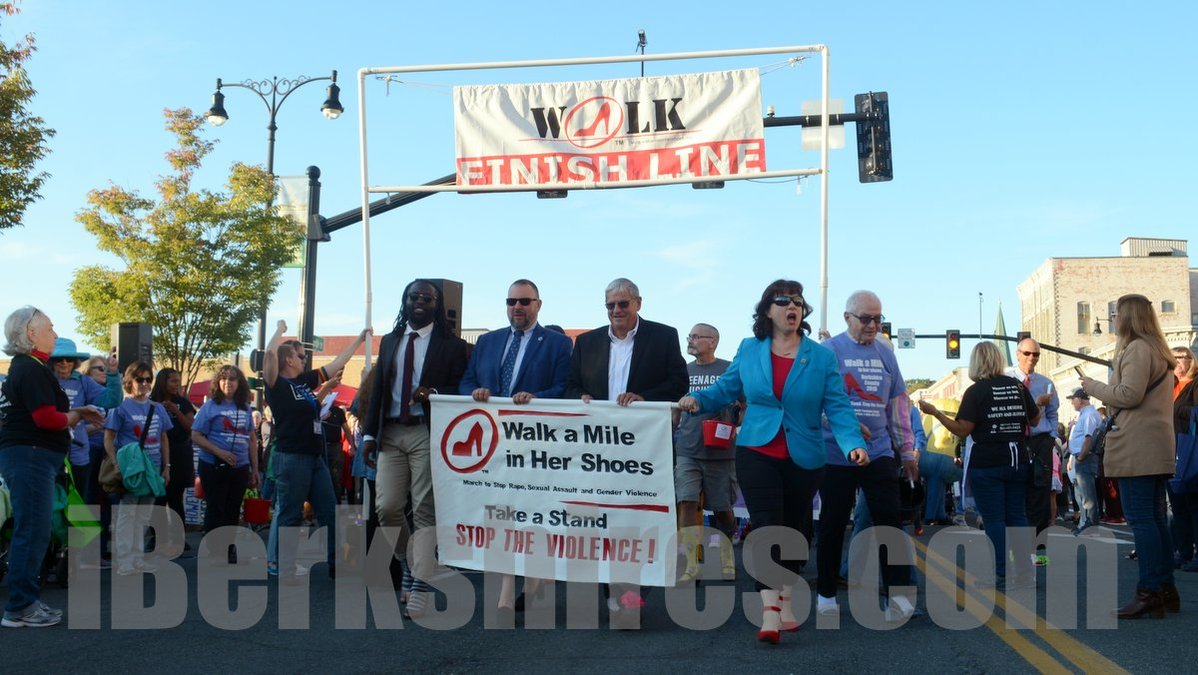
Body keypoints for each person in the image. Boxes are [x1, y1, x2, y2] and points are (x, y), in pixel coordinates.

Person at [680, 279, 867, 644]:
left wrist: (852, 444)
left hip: (804, 455)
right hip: (757, 450)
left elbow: (838, 406)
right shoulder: (749, 349)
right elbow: (726, 388)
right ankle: (769, 610)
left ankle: (786, 596)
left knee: (796, 531)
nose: (791, 307)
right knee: (767, 527)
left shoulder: (821, 357)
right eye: (782, 301)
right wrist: (697, 401)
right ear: (767, 310)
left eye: (797, 301)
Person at [566, 277, 688, 627]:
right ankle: (615, 595)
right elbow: (571, 385)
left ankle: (632, 593)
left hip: (645, 449)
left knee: (639, 520)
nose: (616, 310)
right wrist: (579, 397)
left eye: (623, 304)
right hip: (597, 450)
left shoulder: (664, 336)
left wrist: (644, 398)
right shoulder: (586, 342)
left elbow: (678, 383)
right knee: (603, 520)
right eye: (610, 305)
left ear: (638, 303)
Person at [459, 278, 571, 618]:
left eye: (524, 301)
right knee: (502, 512)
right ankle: (508, 589)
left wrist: (537, 398)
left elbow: (564, 388)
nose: (517, 307)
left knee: (533, 511)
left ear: (538, 304)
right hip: (493, 441)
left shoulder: (558, 344)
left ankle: (533, 581)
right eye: (511, 301)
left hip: (536, 443)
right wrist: (475, 392)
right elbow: (466, 381)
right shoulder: (487, 342)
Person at [361, 279, 468, 618]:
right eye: (414, 296)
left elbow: (462, 388)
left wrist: (434, 391)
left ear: (437, 305)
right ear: (405, 301)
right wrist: (368, 435)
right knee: (387, 507)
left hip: (426, 430)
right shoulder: (391, 340)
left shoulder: (452, 346)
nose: (420, 301)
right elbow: (378, 389)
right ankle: (408, 561)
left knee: (423, 508)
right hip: (390, 431)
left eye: (427, 297)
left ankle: (419, 583)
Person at [816, 290, 918, 621]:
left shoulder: (886, 354)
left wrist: (907, 451)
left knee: (890, 521)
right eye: (866, 319)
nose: (873, 325)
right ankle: (826, 595)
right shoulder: (828, 351)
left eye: (878, 319)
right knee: (833, 522)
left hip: (879, 452)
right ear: (847, 318)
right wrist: (842, 423)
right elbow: (813, 403)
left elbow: (897, 406)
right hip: (836, 453)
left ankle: (897, 596)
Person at [0, 307, 105, 628]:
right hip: (31, 457)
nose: (56, 335)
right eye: (50, 328)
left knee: (34, 530)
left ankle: (25, 603)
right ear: (31, 334)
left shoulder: (27, 368)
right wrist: (77, 415)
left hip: (30, 457)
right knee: (33, 530)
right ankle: (20, 607)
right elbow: (46, 419)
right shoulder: (31, 369)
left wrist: (77, 413)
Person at [1080, 294, 1178, 618]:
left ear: (1129, 317)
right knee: (1156, 519)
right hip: (1156, 445)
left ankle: (1149, 592)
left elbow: (1129, 394)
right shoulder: (1158, 350)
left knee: (1142, 520)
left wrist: (1092, 386)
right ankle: (1165, 589)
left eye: (1116, 314)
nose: (1113, 319)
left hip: (1137, 447)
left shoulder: (1137, 349)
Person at [919, 342, 1039, 588]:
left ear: (976, 363)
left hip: (988, 462)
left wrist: (935, 413)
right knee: (1017, 516)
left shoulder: (975, 392)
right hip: (1017, 459)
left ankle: (1002, 574)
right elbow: (1035, 419)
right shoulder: (1017, 386)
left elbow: (962, 429)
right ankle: (1025, 573)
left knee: (995, 519)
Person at [264, 320, 370, 584]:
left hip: (315, 457)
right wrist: (279, 331)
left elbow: (336, 363)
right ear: (288, 360)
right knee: (291, 514)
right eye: (300, 356)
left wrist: (359, 340)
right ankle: (284, 568)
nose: (304, 360)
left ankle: (337, 566)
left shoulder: (302, 382)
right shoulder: (276, 384)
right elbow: (269, 355)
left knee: (329, 511)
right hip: (292, 456)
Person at [673, 323, 741, 583]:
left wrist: (740, 427)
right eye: (689, 336)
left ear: (712, 341)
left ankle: (726, 553)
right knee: (687, 502)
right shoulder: (683, 372)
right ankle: (692, 564)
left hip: (720, 452)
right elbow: (674, 408)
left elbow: (745, 403)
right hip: (688, 450)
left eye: (696, 336)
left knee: (722, 509)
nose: (690, 340)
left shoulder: (728, 370)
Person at [104, 360, 173, 576]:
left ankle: (137, 558)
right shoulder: (120, 407)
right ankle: (124, 560)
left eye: (148, 379)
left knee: (143, 516)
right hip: (132, 469)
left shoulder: (157, 408)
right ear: (129, 381)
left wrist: (167, 467)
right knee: (127, 514)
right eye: (139, 379)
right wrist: (115, 463)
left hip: (153, 469)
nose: (144, 384)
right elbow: (108, 437)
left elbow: (164, 438)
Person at [191, 365, 259, 563]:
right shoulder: (210, 406)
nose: (228, 382)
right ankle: (214, 551)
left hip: (239, 467)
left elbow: (252, 439)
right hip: (213, 465)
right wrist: (219, 452)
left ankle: (229, 548)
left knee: (233, 509)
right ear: (218, 382)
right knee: (216, 508)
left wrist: (255, 469)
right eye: (224, 379)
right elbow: (195, 435)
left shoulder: (245, 407)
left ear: (239, 383)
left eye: (232, 379)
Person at [1008, 338, 1060, 565]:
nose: (1032, 358)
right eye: (1028, 353)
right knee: (1016, 496)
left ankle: (1039, 552)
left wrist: (1052, 437)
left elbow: (1053, 414)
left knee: (1040, 497)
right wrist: (1037, 404)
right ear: (1018, 354)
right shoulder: (1007, 380)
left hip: (1040, 443)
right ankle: (1018, 550)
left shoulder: (1046, 383)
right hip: (1016, 441)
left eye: (1036, 354)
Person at [150, 367, 196, 557]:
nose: (177, 385)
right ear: (163, 382)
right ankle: (157, 538)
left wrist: (176, 411)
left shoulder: (183, 403)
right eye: (173, 381)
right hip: (156, 454)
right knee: (158, 500)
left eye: (178, 381)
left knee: (176, 499)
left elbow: (191, 427)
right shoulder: (151, 401)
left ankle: (179, 540)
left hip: (179, 454)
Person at [1169, 346, 1198, 571]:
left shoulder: (1195, 384)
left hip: (1190, 450)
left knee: (1194, 505)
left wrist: (1174, 411)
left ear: (1191, 360)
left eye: (1180, 357)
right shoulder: (1169, 385)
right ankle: (1183, 551)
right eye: (1173, 358)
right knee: (1178, 506)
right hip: (1171, 451)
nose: (1176, 362)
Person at [1067, 388, 1102, 533]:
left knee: (1088, 494)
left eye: (1073, 399)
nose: (1072, 403)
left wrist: (1081, 457)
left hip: (1086, 458)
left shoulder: (1089, 415)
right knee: (1085, 494)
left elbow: (1089, 438)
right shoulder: (1086, 414)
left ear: (1080, 399)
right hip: (1083, 457)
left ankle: (1091, 525)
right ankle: (1089, 523)